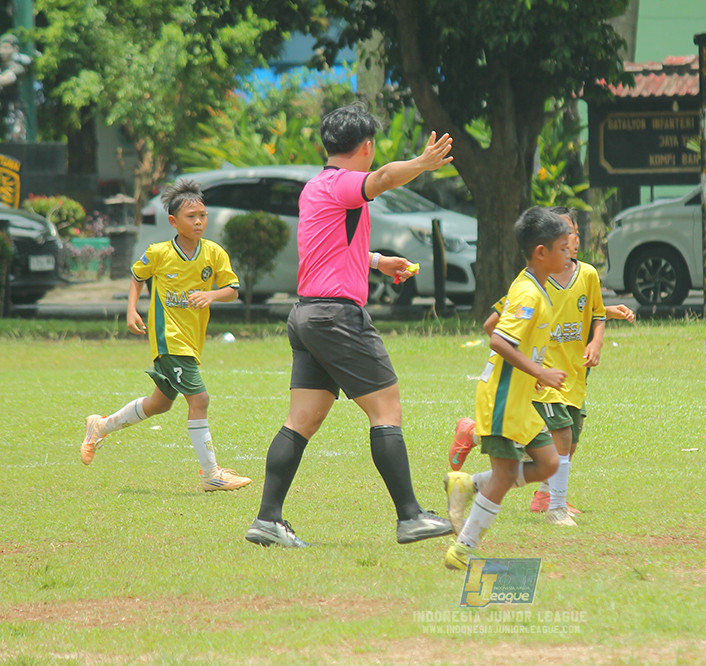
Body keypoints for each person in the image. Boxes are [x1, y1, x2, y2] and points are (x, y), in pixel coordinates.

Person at [245, 101, 454, 549]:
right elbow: (380, 180)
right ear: (367, 146)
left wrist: (374, 261)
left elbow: (328, 247)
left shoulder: (315, 187)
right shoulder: (345, 183)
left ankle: (267, 519)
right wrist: (421, 163)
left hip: (307, 315)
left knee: (303, 419)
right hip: (337, 317)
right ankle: (410, 517)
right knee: (386, 411)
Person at [448, 208, 635, 524]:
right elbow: (494, 327)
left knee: (564, 443)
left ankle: (477, 451)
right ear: (543, 248)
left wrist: (598, 336)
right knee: (558, 436)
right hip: (542, 377)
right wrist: (529, 362)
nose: (571, 242)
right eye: (564, 238)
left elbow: (595, 311)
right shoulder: (530, 285)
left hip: (572, 374)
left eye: (573, 234)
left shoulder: (585, 274)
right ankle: (554, 508)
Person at [80, 179, 251, 492]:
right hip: (169, 339)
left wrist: (210, 295)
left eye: (202, 215)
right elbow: (136, 277)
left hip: (191, 340)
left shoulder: (213, 253)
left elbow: (233, 291)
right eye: (191, 216)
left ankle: (100, 425)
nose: (198, 221)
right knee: (199, 399)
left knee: (160, 404)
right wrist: (132, 310)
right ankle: (211, 473)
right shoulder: (158, 253)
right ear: (173, 221)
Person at [442, 206, 572, 570]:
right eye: (563, 248)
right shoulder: (529, 294)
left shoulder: (531, 285)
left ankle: (467, 484)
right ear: (541, 253)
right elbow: (498, 340)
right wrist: (540, 372)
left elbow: (490, 322)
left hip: (518, 399)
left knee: (547, 463)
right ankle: (463, 548)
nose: (570, 253)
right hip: (502, 398)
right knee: (505, 475)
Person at [0, 34, 28, 142]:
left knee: (15, 139)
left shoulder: (17, 68)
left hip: (13, 108)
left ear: (15, 49)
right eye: (1, 47)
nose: (2, 51)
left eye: (6, 48)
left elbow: (6, 79)